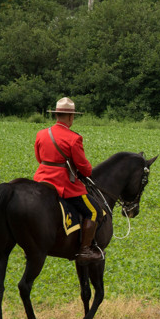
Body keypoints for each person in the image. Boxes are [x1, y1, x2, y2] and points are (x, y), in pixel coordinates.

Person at [33, 97, 104, 264]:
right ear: (71, 117)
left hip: (41, 179)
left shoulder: (42, 134)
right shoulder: (74, 138)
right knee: (94, 211)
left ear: (56, 115)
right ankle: (85, 250)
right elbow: (84, 168)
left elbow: (39, 158)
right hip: (63, 184)